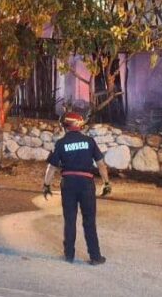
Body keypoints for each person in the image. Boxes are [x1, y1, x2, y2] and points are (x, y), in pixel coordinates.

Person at [42, 112, 111, 265]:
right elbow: (101, 164)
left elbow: (52, 167)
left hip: (68, 184)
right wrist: (106, 183)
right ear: (79, 125)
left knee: (70, 220)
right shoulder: (89, 141)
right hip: (86, 184)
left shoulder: (61, 143)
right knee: (89, 221)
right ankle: (95, 257)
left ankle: (69, 255)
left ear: (65, 126)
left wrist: (46, 185)